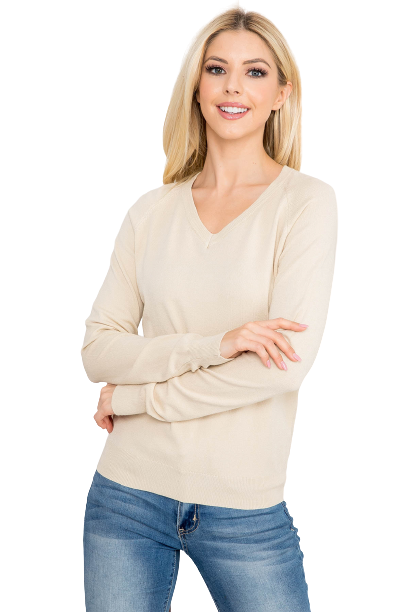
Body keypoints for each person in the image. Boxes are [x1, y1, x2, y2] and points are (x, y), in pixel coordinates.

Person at [81, 3, 338, 611]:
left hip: (245, 510)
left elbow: (281, 367)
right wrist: (217, 345)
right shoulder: (150, 211)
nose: (232, 87)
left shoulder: (306, 204)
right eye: (217, 69)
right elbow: (99, 350)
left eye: (255, 72)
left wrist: (135, 399)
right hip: (125, 497)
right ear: (196, 87)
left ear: (281, 94)